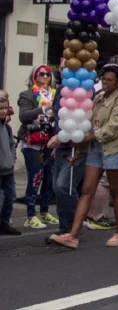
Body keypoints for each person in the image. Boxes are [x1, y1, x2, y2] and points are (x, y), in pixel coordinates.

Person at [50, 64, 118, 249]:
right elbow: (90, 123)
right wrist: (79, 149)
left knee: (115, 190)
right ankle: (73, 234)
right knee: (87, 190)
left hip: (115, 148)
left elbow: (114, 127)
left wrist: (89, 137)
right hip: (95, 148)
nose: (105, 82)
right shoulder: (98, 98)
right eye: (103, 79)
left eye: (109, 80)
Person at [17, 65, 57, 228]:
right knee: (35, 177)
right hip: (32, 142)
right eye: (41, 74)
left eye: (48, 74)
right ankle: (30, 215)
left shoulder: (55, 94)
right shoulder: (27, 94)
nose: (46, 77)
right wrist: (43, 108)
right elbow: (23, 116)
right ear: (34, 76)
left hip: (49, 141)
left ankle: (45, 212)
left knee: (48, 178)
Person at [0, 90, 20, 235]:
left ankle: (4, 223)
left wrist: (12, 158)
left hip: (8, 169)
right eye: (1, 108)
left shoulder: (7, 127)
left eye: (6, 108)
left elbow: (12, 144)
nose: (4, 111)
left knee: (10, 196)